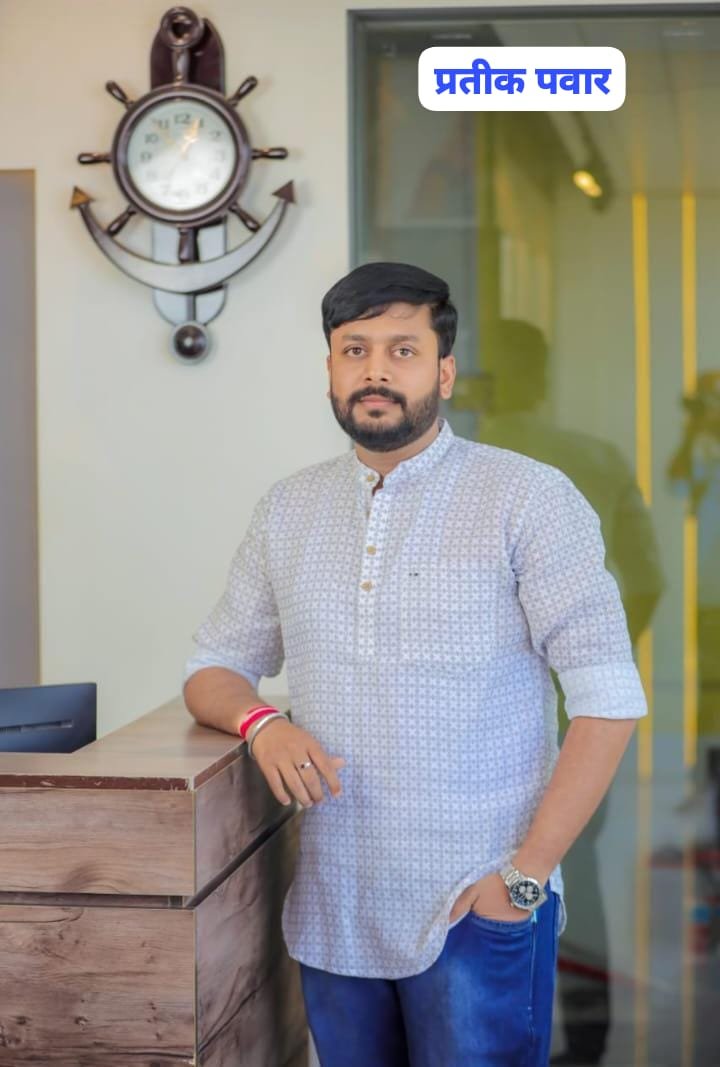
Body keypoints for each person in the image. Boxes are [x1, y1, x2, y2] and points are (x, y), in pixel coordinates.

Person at [183, 262, 647, 1067]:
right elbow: (213, 666)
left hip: (477, 906)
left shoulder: (527, 497)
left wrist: (524, 882)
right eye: (354, 349)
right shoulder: (288, 509)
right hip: (334, 910)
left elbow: (609, 697)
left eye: (402, 350)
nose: (375, 370)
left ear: (444, 371)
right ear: (330, 369)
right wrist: (260, 724)